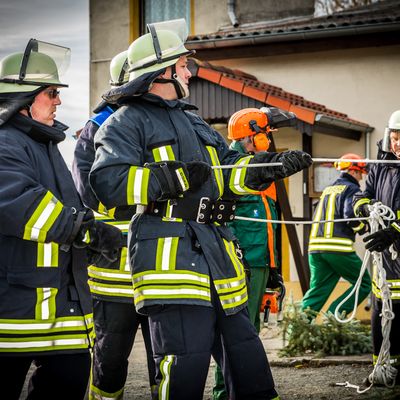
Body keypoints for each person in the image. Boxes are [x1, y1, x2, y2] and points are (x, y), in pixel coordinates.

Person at [89, 19, 312, 400]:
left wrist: (265, 168)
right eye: (182, 66)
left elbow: (227, 172)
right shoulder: (125, 123)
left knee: (249, 363)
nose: (189, 72)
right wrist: (166, 180)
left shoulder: (194, 122)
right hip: (170, 265)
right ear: (162, 73)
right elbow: (107, 182)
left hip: (218, 260)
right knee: (185, 367)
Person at [0, 39, 123, 400]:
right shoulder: (5, 143)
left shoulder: (45, 146)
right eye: (51, 92)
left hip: (58, 307)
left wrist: (95, 234)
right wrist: (86, 231)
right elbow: (20, 204)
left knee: (68, 383)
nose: (58, 101)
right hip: (14, 310)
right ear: (22, 99)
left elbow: (68, 207)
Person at [72, 50, 156, 400]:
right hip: (113, 269)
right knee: (109, 364)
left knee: (168, 362)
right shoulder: (96, 129)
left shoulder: (163, 123)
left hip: (160, 269)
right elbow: (86, 193)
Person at [213, 107, 285, 400]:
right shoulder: (235, 169)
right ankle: (224, 391)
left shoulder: (256, 166)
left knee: (247, 330)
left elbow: (269, 224)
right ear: (250, 136)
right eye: (265, 134)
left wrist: (274, 269)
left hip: (260, 261)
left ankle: (239, 390)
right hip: (244, 260)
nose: (269, 139)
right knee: (236, 330)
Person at [354, 110, 400, 385]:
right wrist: (365, 208)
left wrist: (394, 230)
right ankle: (381, 369)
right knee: (381, 313)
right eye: (395, 138)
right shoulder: (381, 165)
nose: (397, 144)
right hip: (384, 262)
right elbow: (363, 195)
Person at [302, 153, 371, 317]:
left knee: (318, 291)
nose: (361, 177)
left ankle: (297, 330)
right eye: (360, 173)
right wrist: (364, 227)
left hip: (315, 249)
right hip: (338, 249)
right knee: (364, 284)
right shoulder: (352, 189)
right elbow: (351, 216)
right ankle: (334, 316)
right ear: (353, 171)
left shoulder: (327, 190)